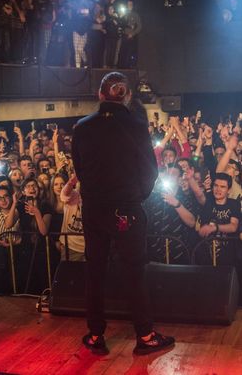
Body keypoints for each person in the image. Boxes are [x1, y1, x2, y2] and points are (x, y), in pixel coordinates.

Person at [72, 72, 175, 356]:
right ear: (127, 96)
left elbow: (79, 168)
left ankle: (96, 335)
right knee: (135, 272)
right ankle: (145, 335)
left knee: (95, 271)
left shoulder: (82, 127)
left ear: (100, 95)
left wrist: (94, 195)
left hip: (93, 209)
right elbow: (150, 171)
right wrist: (134, 198)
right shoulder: (136, 126)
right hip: (126, 210)